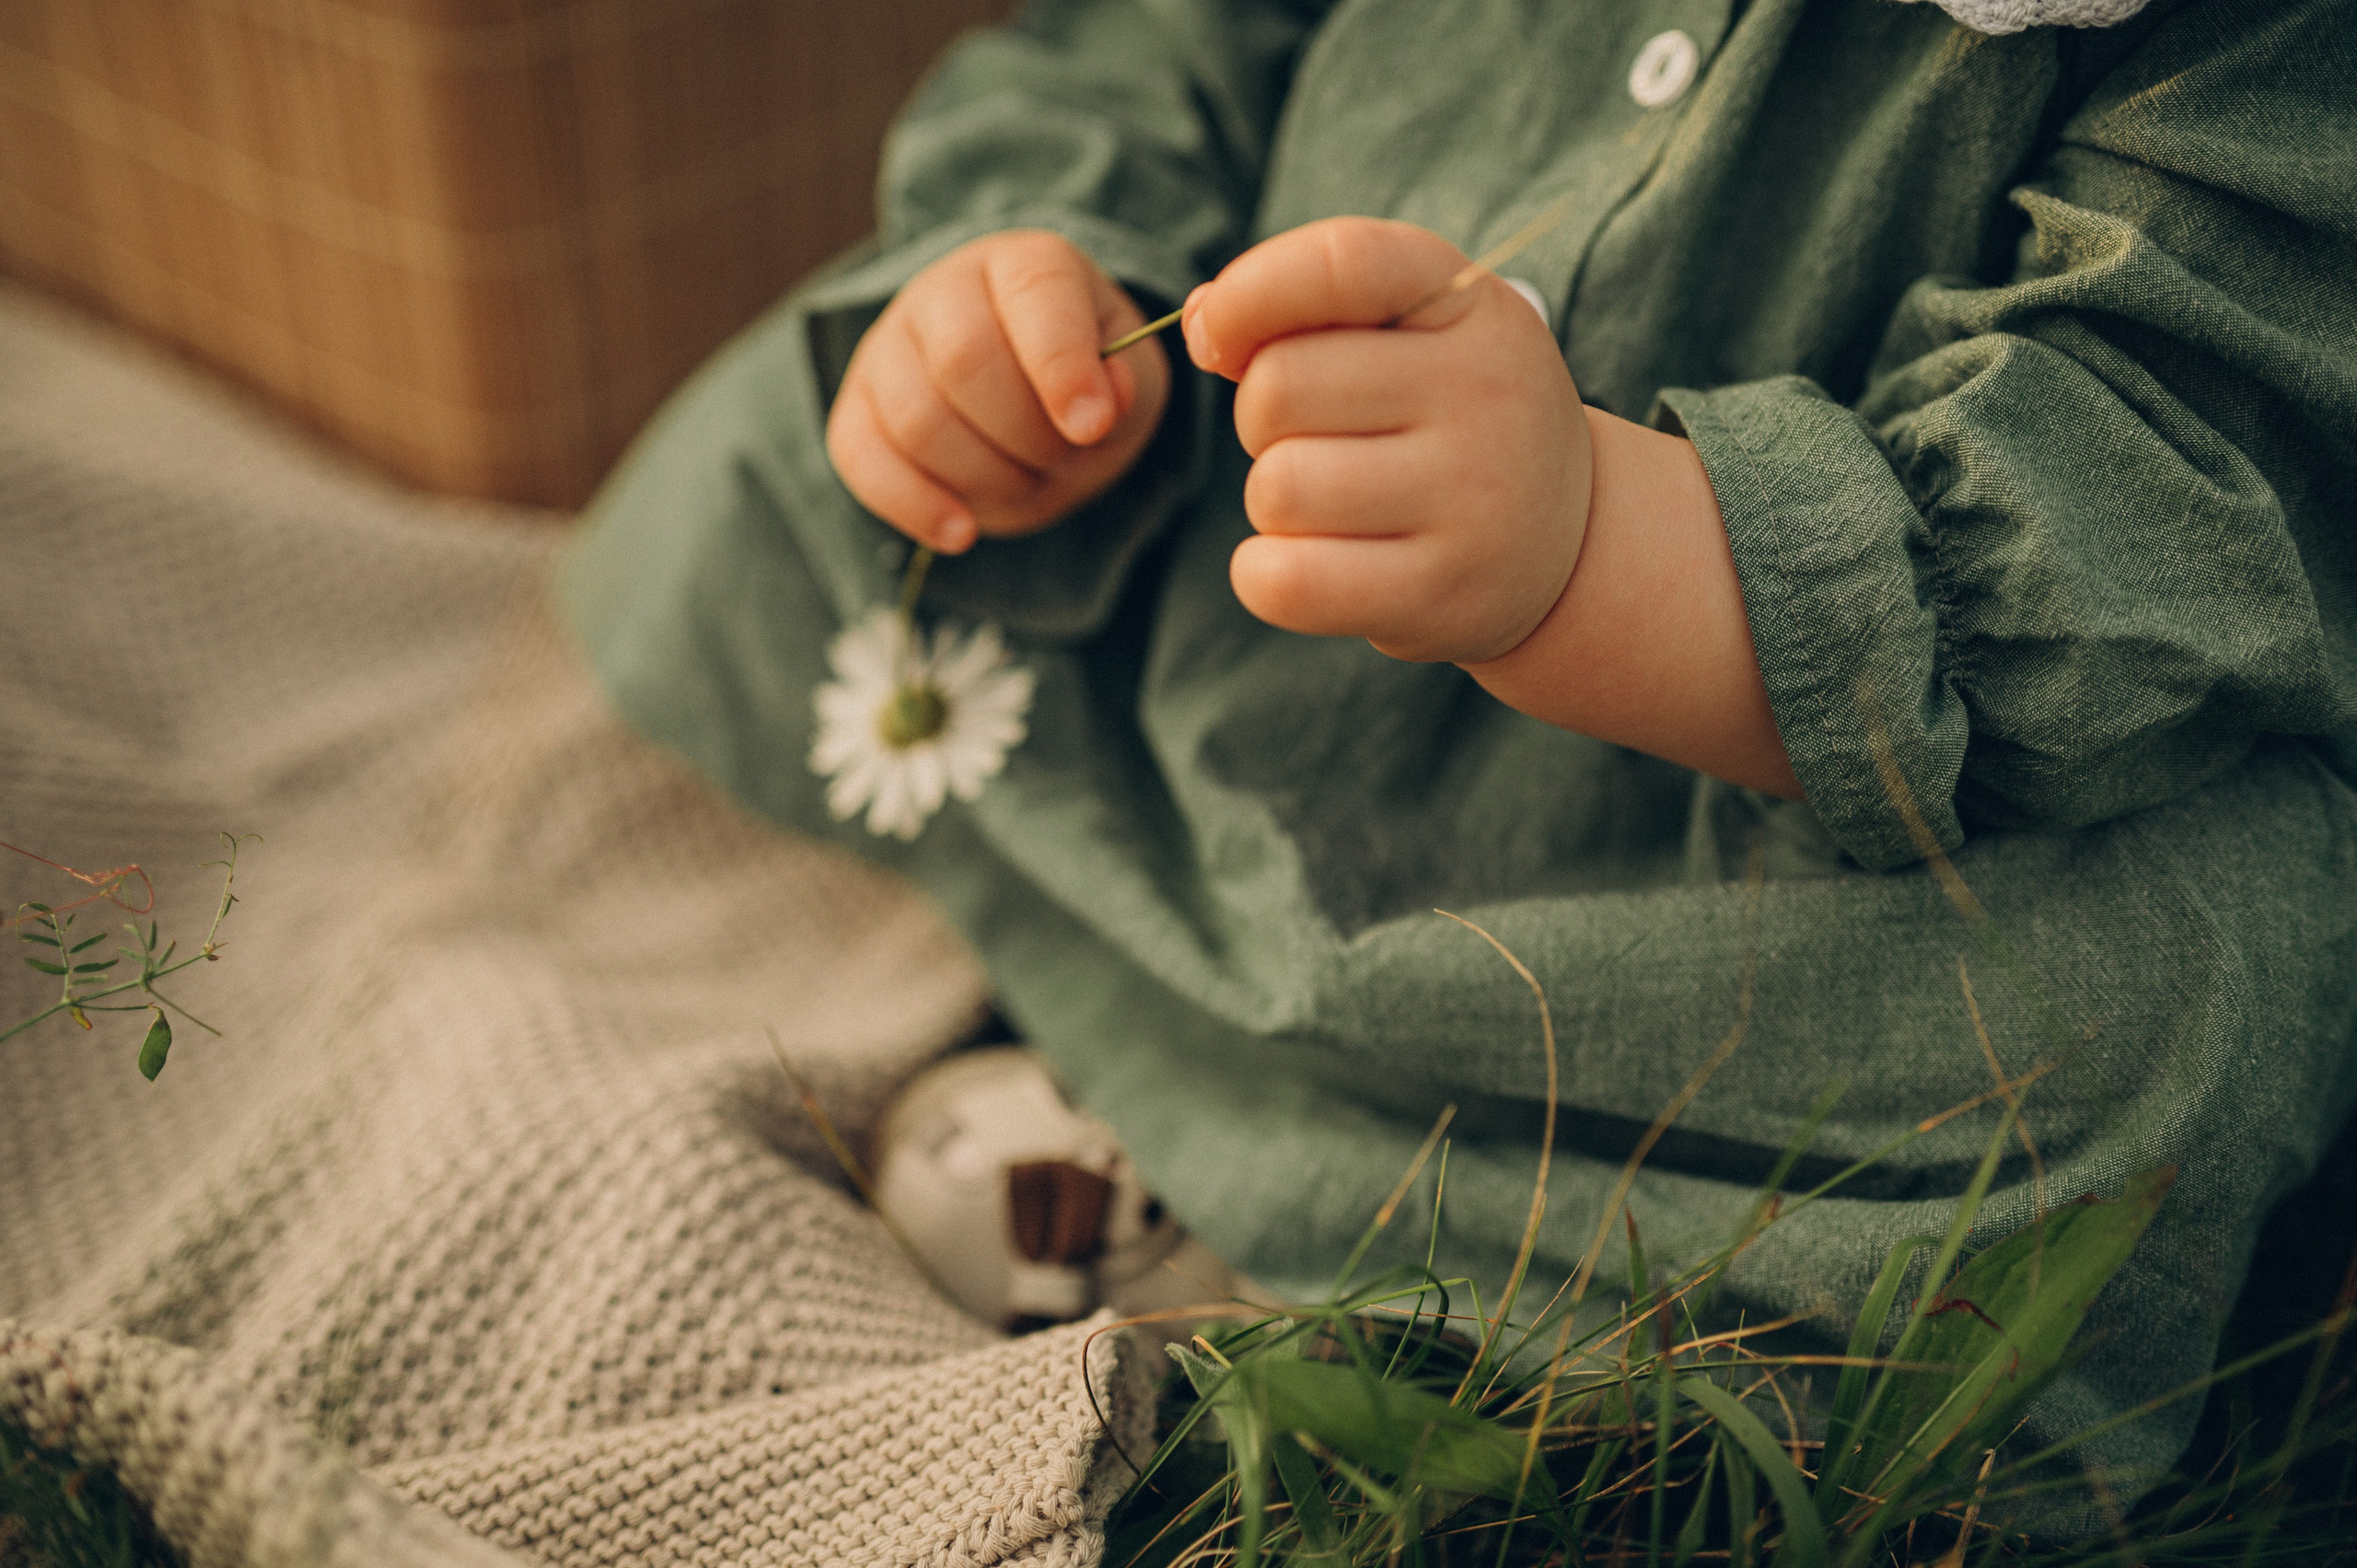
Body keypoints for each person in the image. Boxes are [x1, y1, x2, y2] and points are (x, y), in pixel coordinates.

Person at [560, 0, 2357, 1503]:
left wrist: (1598, 545)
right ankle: (1224, 1122)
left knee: (2158, 969)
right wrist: (1032, 278)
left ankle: (1392, 1257)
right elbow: (1158, 35)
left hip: (1754, 847)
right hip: (1234, 568)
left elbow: (2180, 453)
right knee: (801, 440)